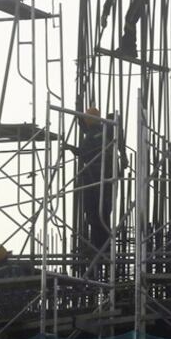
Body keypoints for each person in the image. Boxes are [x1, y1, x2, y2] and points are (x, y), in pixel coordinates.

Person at [72, 108, 126, 267]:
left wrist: (72, 149)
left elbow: (86, 151)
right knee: (101, 215)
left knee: (95, 215)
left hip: (95, 181)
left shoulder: (95, 135)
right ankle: (102, 246)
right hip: (103, 180)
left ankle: (101, 247)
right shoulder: (105, 132)